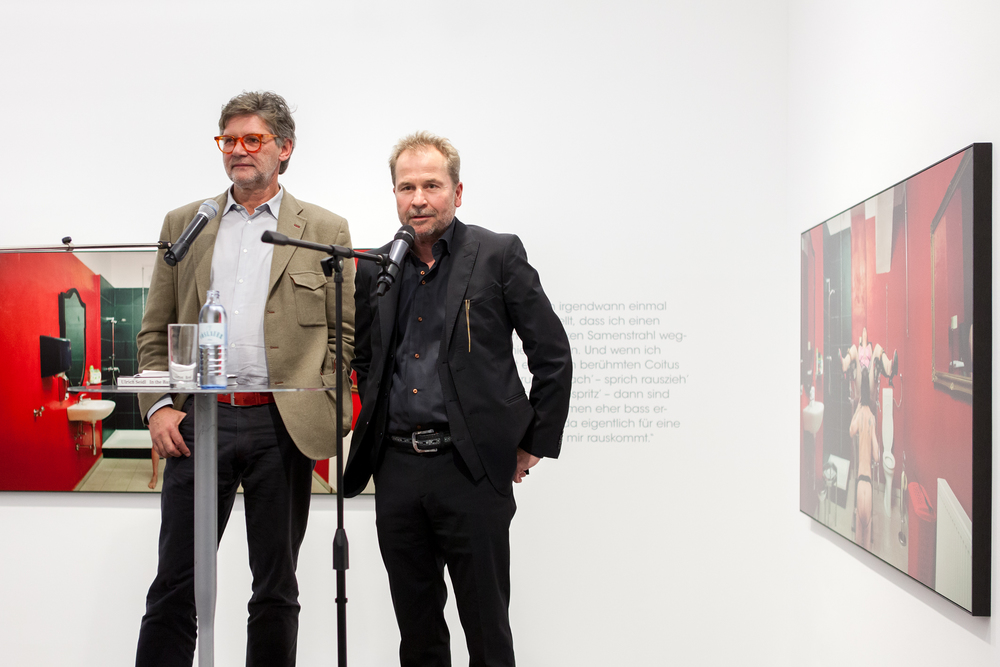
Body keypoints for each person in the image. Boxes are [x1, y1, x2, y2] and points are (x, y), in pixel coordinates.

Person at [134, 91, 355, 667]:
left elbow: (343, 336)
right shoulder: (186, 224)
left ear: (285, 148)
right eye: (228, 140)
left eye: (252, 139)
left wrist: (329, 404)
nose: (238, 150)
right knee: (175, 582)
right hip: (197, 423)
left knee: (276, 588)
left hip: (281, 424)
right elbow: (154, 329)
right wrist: (158, 405)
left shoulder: (324, 228)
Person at [343, 131, 573, 667]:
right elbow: (365, 361)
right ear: (394, 195)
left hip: (471, 469)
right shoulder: (376, 266)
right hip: (397, 470)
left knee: (486, 628)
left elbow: (552, 354)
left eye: (431, 185)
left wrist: (532, 443)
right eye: (406, 187)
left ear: (458, 192)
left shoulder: (497, 254)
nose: (418, 199)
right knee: (417, 631)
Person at [850, 373, 880, 549]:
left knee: (857, 544)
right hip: (868, 487)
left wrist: (857, 410)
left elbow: (851, 431)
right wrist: (872, 431)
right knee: (867, 546)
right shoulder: (872, 418)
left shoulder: (860, 414)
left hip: (859, 483)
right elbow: (876, 456)